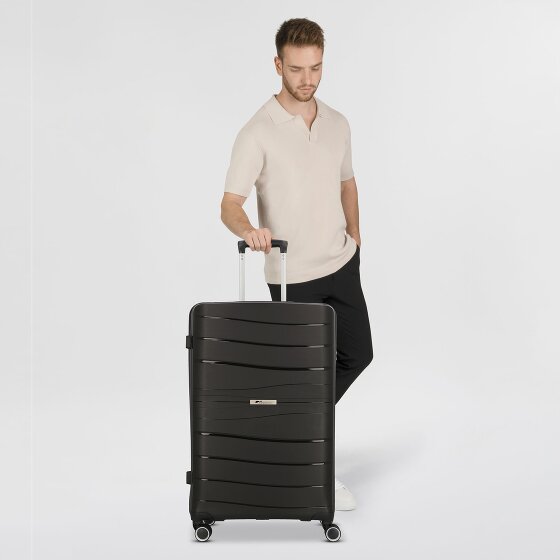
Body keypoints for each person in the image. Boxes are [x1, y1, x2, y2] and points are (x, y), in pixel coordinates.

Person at [220, 18, 374, 511]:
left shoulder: (338, 123)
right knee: (303, 375)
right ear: (277, 65)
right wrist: (249, 230)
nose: (307, 79)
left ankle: (285, 433)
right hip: (292, 276)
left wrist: (356, 236)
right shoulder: (257, 131)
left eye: (316, 68)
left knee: (359, 354)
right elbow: (229, 204)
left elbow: (347, 181)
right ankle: (309, 461)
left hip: (341, 263)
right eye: (296, 69)